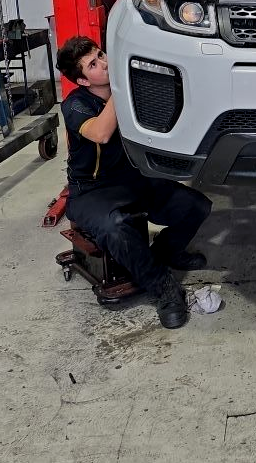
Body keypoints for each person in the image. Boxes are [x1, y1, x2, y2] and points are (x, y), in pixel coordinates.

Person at [57, 36, 212, 329]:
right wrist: (122, 86)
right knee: (115, 228)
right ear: (83, 80)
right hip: (92, 192)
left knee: (197, 206)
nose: (104, 63)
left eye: (102, 55)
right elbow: (101, 133)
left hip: (135, 181)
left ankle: (164, 254)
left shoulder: (131, 94)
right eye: (93, 64)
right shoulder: (75, 105)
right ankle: (163, 289)